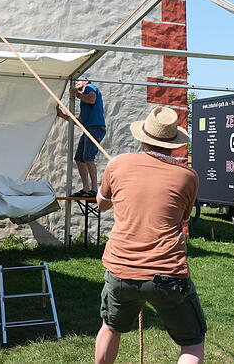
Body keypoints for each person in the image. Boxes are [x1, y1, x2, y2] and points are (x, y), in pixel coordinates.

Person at [93, 107, 205, 364]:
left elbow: (101, 203)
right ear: (174, 143)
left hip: (121, 271)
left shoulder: (117, 164)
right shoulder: (188, 176)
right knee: (192, 343)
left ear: (143, 137)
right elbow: (183, 219)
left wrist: (109, 183)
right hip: (167, 274)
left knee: (110, 328)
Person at [57, 80, 106, 197]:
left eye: (79, 81)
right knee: (79, 158)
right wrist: (61, 114)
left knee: (88, 158)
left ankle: (94, 189)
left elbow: (92, 99)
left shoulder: (89, 87)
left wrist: (77, 94)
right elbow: (79, 121)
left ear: (86, 80)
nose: (76, 83)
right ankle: (86, 188)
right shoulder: (84, 98)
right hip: (89, 128)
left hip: (95, 127)